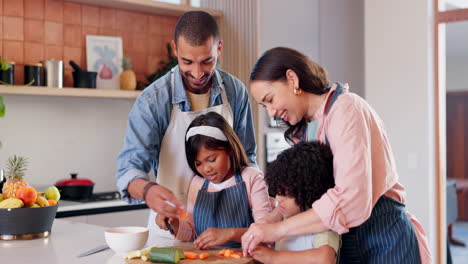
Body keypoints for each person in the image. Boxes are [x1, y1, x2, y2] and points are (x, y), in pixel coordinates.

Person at [241, 47, 432, 263]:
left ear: (292, 79)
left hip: (383, 236)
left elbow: (351, 199)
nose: (271, 112)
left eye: (270, 99)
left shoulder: (346, 108)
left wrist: (277, 230)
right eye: (264, 105)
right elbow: (301, 196)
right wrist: (270, 220)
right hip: (344, 240)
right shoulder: (304, 130)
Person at [115, 11, 257, 239]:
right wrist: (148, 191)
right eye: (187, 62)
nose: (197, 73)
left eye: (207, 61)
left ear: (219, 49)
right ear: (175, 50)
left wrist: (259, 202)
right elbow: (128, 170)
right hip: (172, 228)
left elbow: (247, 157)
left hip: (229, 226)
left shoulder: (235, 92)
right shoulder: (154, 100)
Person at [156, 112, 271, 249]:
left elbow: (267, 232)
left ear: (229, 148)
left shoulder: (251, 178)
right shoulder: (197, 183)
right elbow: (192, 232)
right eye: (198, 163)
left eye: (212, 160)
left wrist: (230, 233)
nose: (206, 169)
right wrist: (173, 223)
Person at [251, 141, 340, 264]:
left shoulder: (323, 224)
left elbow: (324, 259)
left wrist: (273, 257)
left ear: (308, 192)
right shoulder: (285, 215)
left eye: (286, 195)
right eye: (277, 192)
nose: (278, 199)